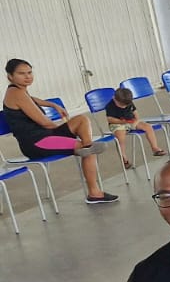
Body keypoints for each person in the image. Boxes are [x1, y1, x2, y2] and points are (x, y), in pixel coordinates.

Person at [3, 58, 117, 204]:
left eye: (30, 72)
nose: (27, 76)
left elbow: (33, 100)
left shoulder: (20, 91)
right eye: (21, 73)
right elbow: (45, 122)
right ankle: (94, 191)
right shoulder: (15, 93)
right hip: (36, 142)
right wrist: (60, 129)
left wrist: (52, 105)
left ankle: (87, 146)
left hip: (45, 136)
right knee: (84, 146)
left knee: (81, 120)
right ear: (10, 77)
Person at [105, 85, 168, 169]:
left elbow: (135, 113)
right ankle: (124, 158)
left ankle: (155, 148)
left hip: (131, 121)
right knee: (121, 136)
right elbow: (110, 119)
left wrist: (136, 121)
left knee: (148, 127)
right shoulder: (110, 105)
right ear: (114, 99)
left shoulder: (128, 102)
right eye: (121, 105)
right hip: (117, 124)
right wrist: (122, 122)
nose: (124, 107)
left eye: (125, 105)